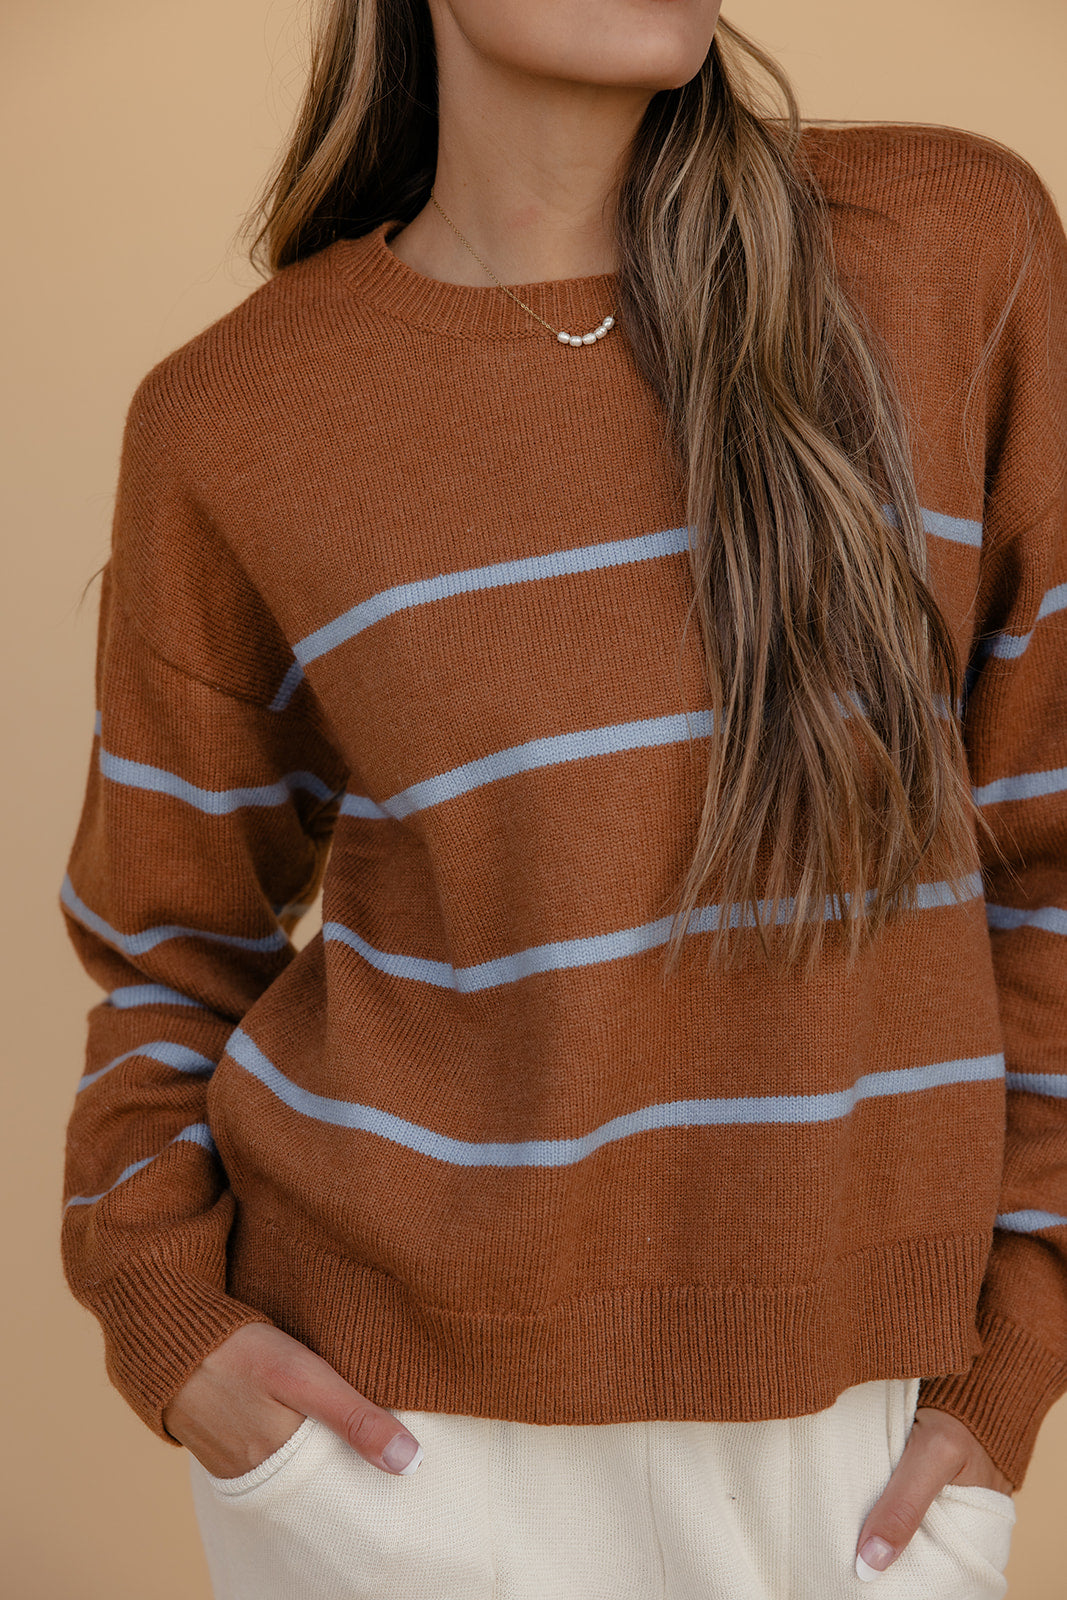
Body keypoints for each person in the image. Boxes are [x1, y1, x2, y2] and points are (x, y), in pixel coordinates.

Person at [57, 2, 1066, 1596]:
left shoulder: (950, 250)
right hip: (403, 1461)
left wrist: (1017, 1345)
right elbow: (169, 942)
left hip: (861, 1462)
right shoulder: (240, 415)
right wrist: (171, 1316)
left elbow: (1052, 844)